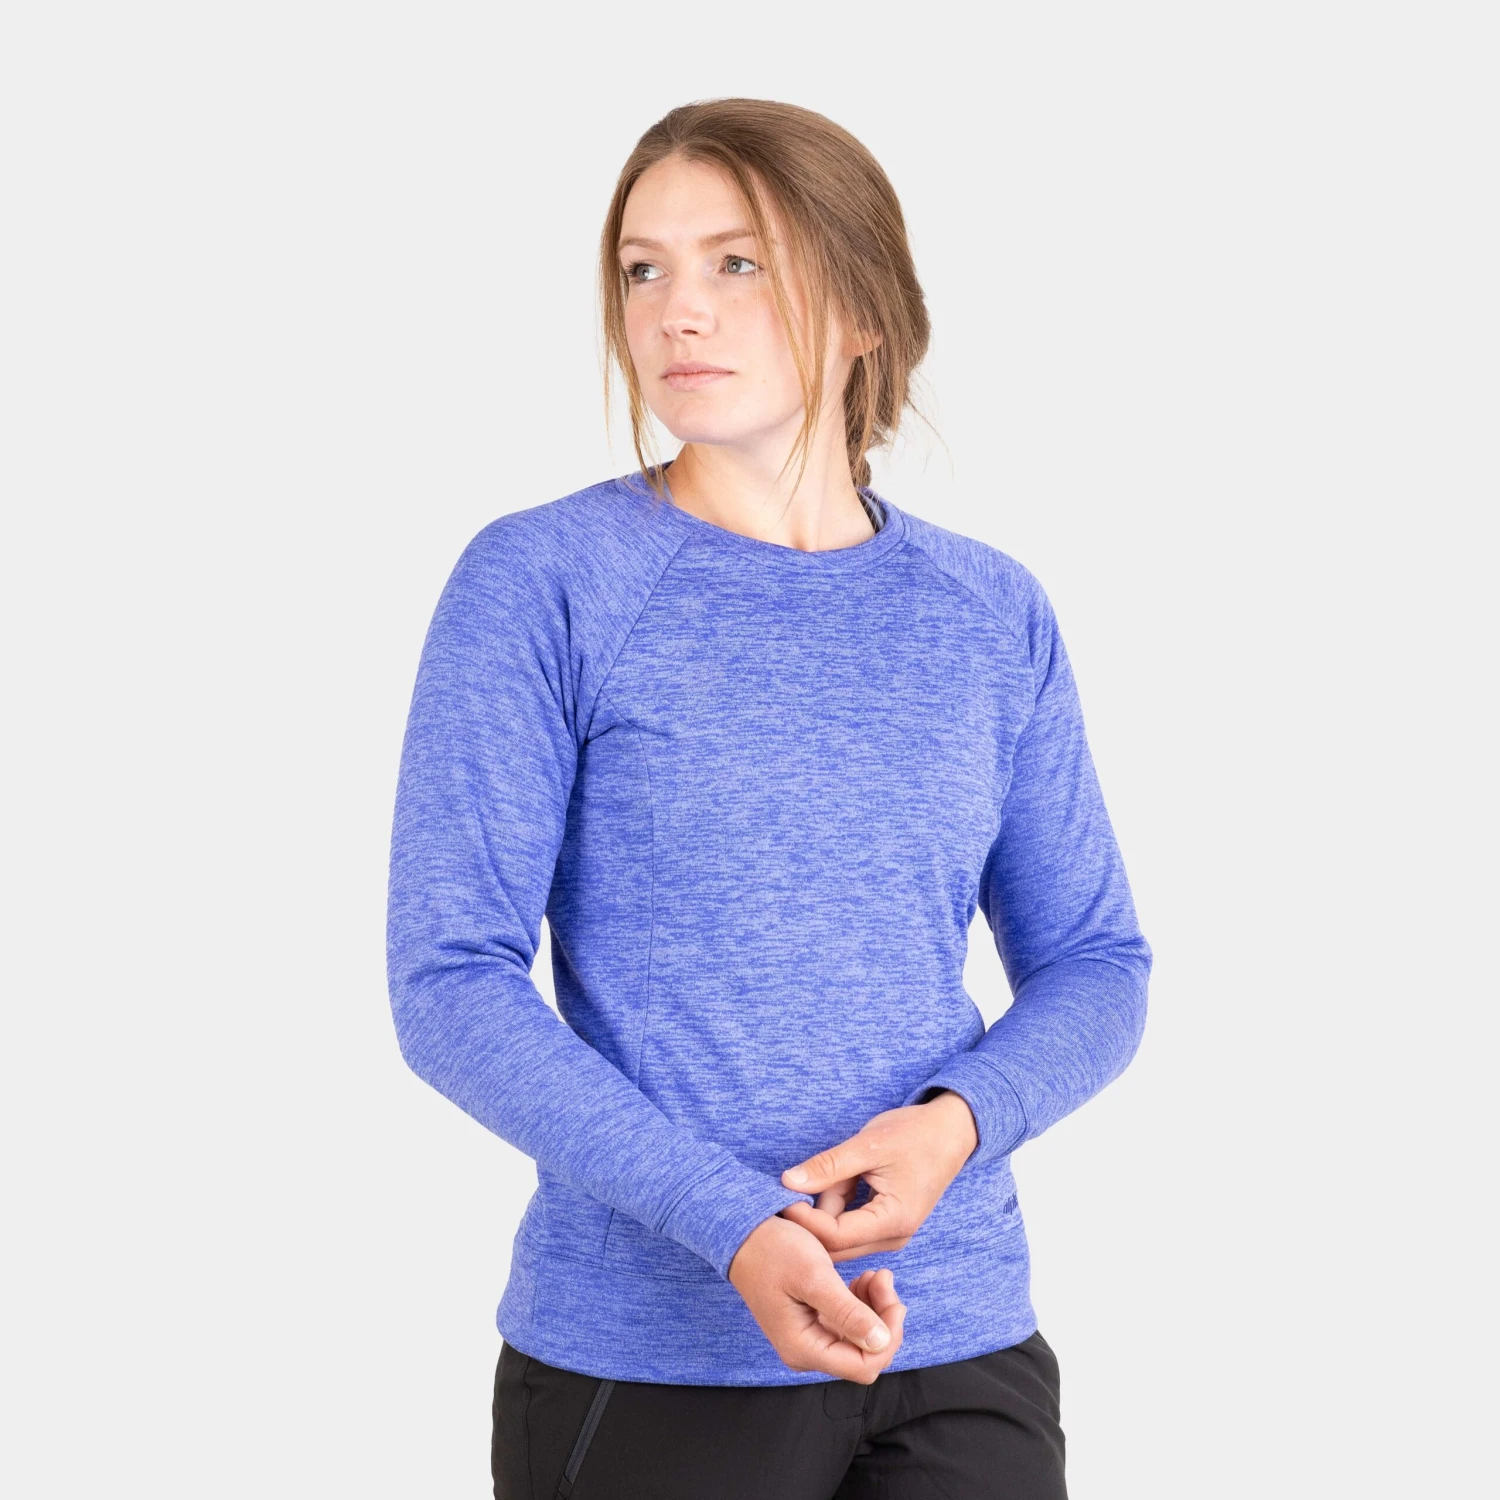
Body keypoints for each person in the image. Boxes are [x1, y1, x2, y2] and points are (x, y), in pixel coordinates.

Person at [385, 97, 1151, 1500]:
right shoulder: (546, 584)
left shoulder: (988, 611)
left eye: (739, 262)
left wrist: (956, 1125)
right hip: (650, 1367)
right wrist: (732, 1222)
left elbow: (1098, 963)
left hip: (962, 1340)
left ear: (862, 307)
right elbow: (450, 982)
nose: (678, 310)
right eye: (644, 268)